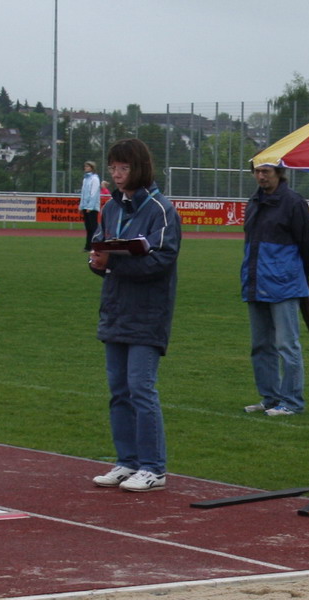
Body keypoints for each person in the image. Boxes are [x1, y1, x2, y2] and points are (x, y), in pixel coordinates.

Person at [88, 138, 181, 492]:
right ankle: (126, 461)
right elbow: (100, 247)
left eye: (123, 168)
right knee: (119, 391)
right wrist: (97, 262)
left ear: (139, 168)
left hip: (148, 312)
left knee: (141, 388)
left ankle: (154, 468)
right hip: (115, 309)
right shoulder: (111, 208)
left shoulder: (161, 210)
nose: (116, 174)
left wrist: (114, 264)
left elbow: (162, 260)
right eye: (113, 167)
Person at [242, 164, 309, 416]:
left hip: (284, 285)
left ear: (279, 172)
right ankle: (270, 398)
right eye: (257, 171)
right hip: (256, 282)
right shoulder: (254, 202)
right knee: (261, 346)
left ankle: (292, 402)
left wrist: (292, 273)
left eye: (266, 171)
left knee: (287, 346)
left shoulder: (294, 203)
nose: (261, 176)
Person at [79, 161, 101, 251]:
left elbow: (94, 193)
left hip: (92, 207)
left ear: (92, 168)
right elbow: (83, 194)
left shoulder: (95, 179)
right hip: (85, 206)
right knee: (88, 228)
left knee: (93, 227)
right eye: (85, 166)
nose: (85, 168)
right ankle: (88, 246)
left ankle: (96, 246)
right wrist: (81, 206)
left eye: (87, 166)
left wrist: (90, 207)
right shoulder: (85, 179)